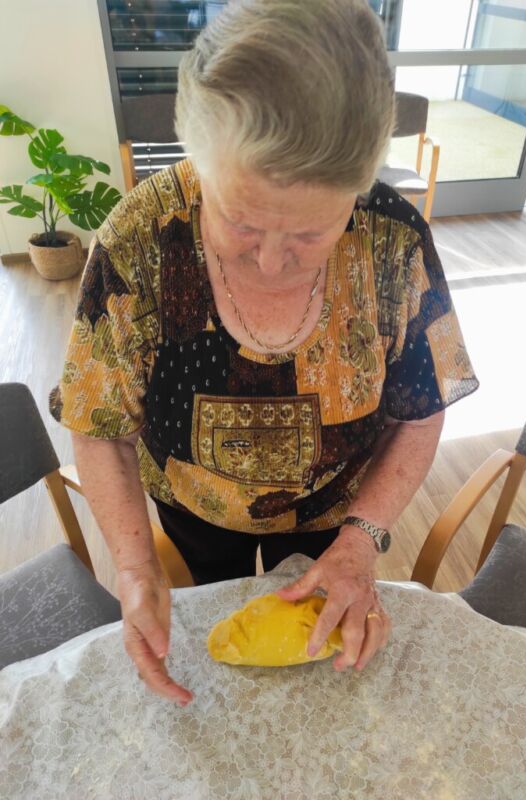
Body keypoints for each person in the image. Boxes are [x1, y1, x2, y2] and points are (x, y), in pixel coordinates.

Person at [49, 0, 479, 708]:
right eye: (240, 222)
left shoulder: (393, 240)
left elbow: (420, 413)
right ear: (199, 163)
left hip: (336, 514)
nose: (274, 262)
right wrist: (133, 567)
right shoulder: (141, 237)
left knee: (314, 680)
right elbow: (99, 427)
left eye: (311, 234)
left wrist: (360, 542)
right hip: (190, 504)